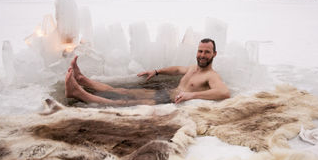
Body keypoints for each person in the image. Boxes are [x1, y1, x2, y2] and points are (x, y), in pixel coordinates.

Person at [65, 38, 230, 106]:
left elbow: (224, 92)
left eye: (207, 52)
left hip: (168, 102)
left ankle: (80, 94)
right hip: (165, 93)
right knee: (122, 91)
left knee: (124, 102)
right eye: (200, 51)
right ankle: (82, 79)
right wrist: (157, 71)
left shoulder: (211, 76)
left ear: (214, 54)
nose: (202, 55)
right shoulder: (193, 68)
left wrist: (191, 95)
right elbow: (177, 69)